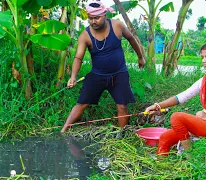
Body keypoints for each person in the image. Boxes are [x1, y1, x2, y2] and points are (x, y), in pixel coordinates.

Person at [60, 1, 145, 133]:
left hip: (119, 74)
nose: (93, 21)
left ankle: (122, 134)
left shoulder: (117, 25)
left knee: (122, 105)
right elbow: (78, 57)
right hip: (97, 75)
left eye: (96, 18)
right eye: (90, 18)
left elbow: (131, 39)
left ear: (104, 15)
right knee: (81, 103)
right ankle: (63, 130)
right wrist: (73, 77)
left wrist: (140, 57)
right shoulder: (85, 35)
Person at [145, 41, 206, 156]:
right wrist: (157, 106)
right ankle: (161, 167)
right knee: (165, 138)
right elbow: (180, 97)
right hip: (203, 122)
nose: (203, 61)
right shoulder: (203, 80)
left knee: (176, 117)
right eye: (202, 57)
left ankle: (190, 156)